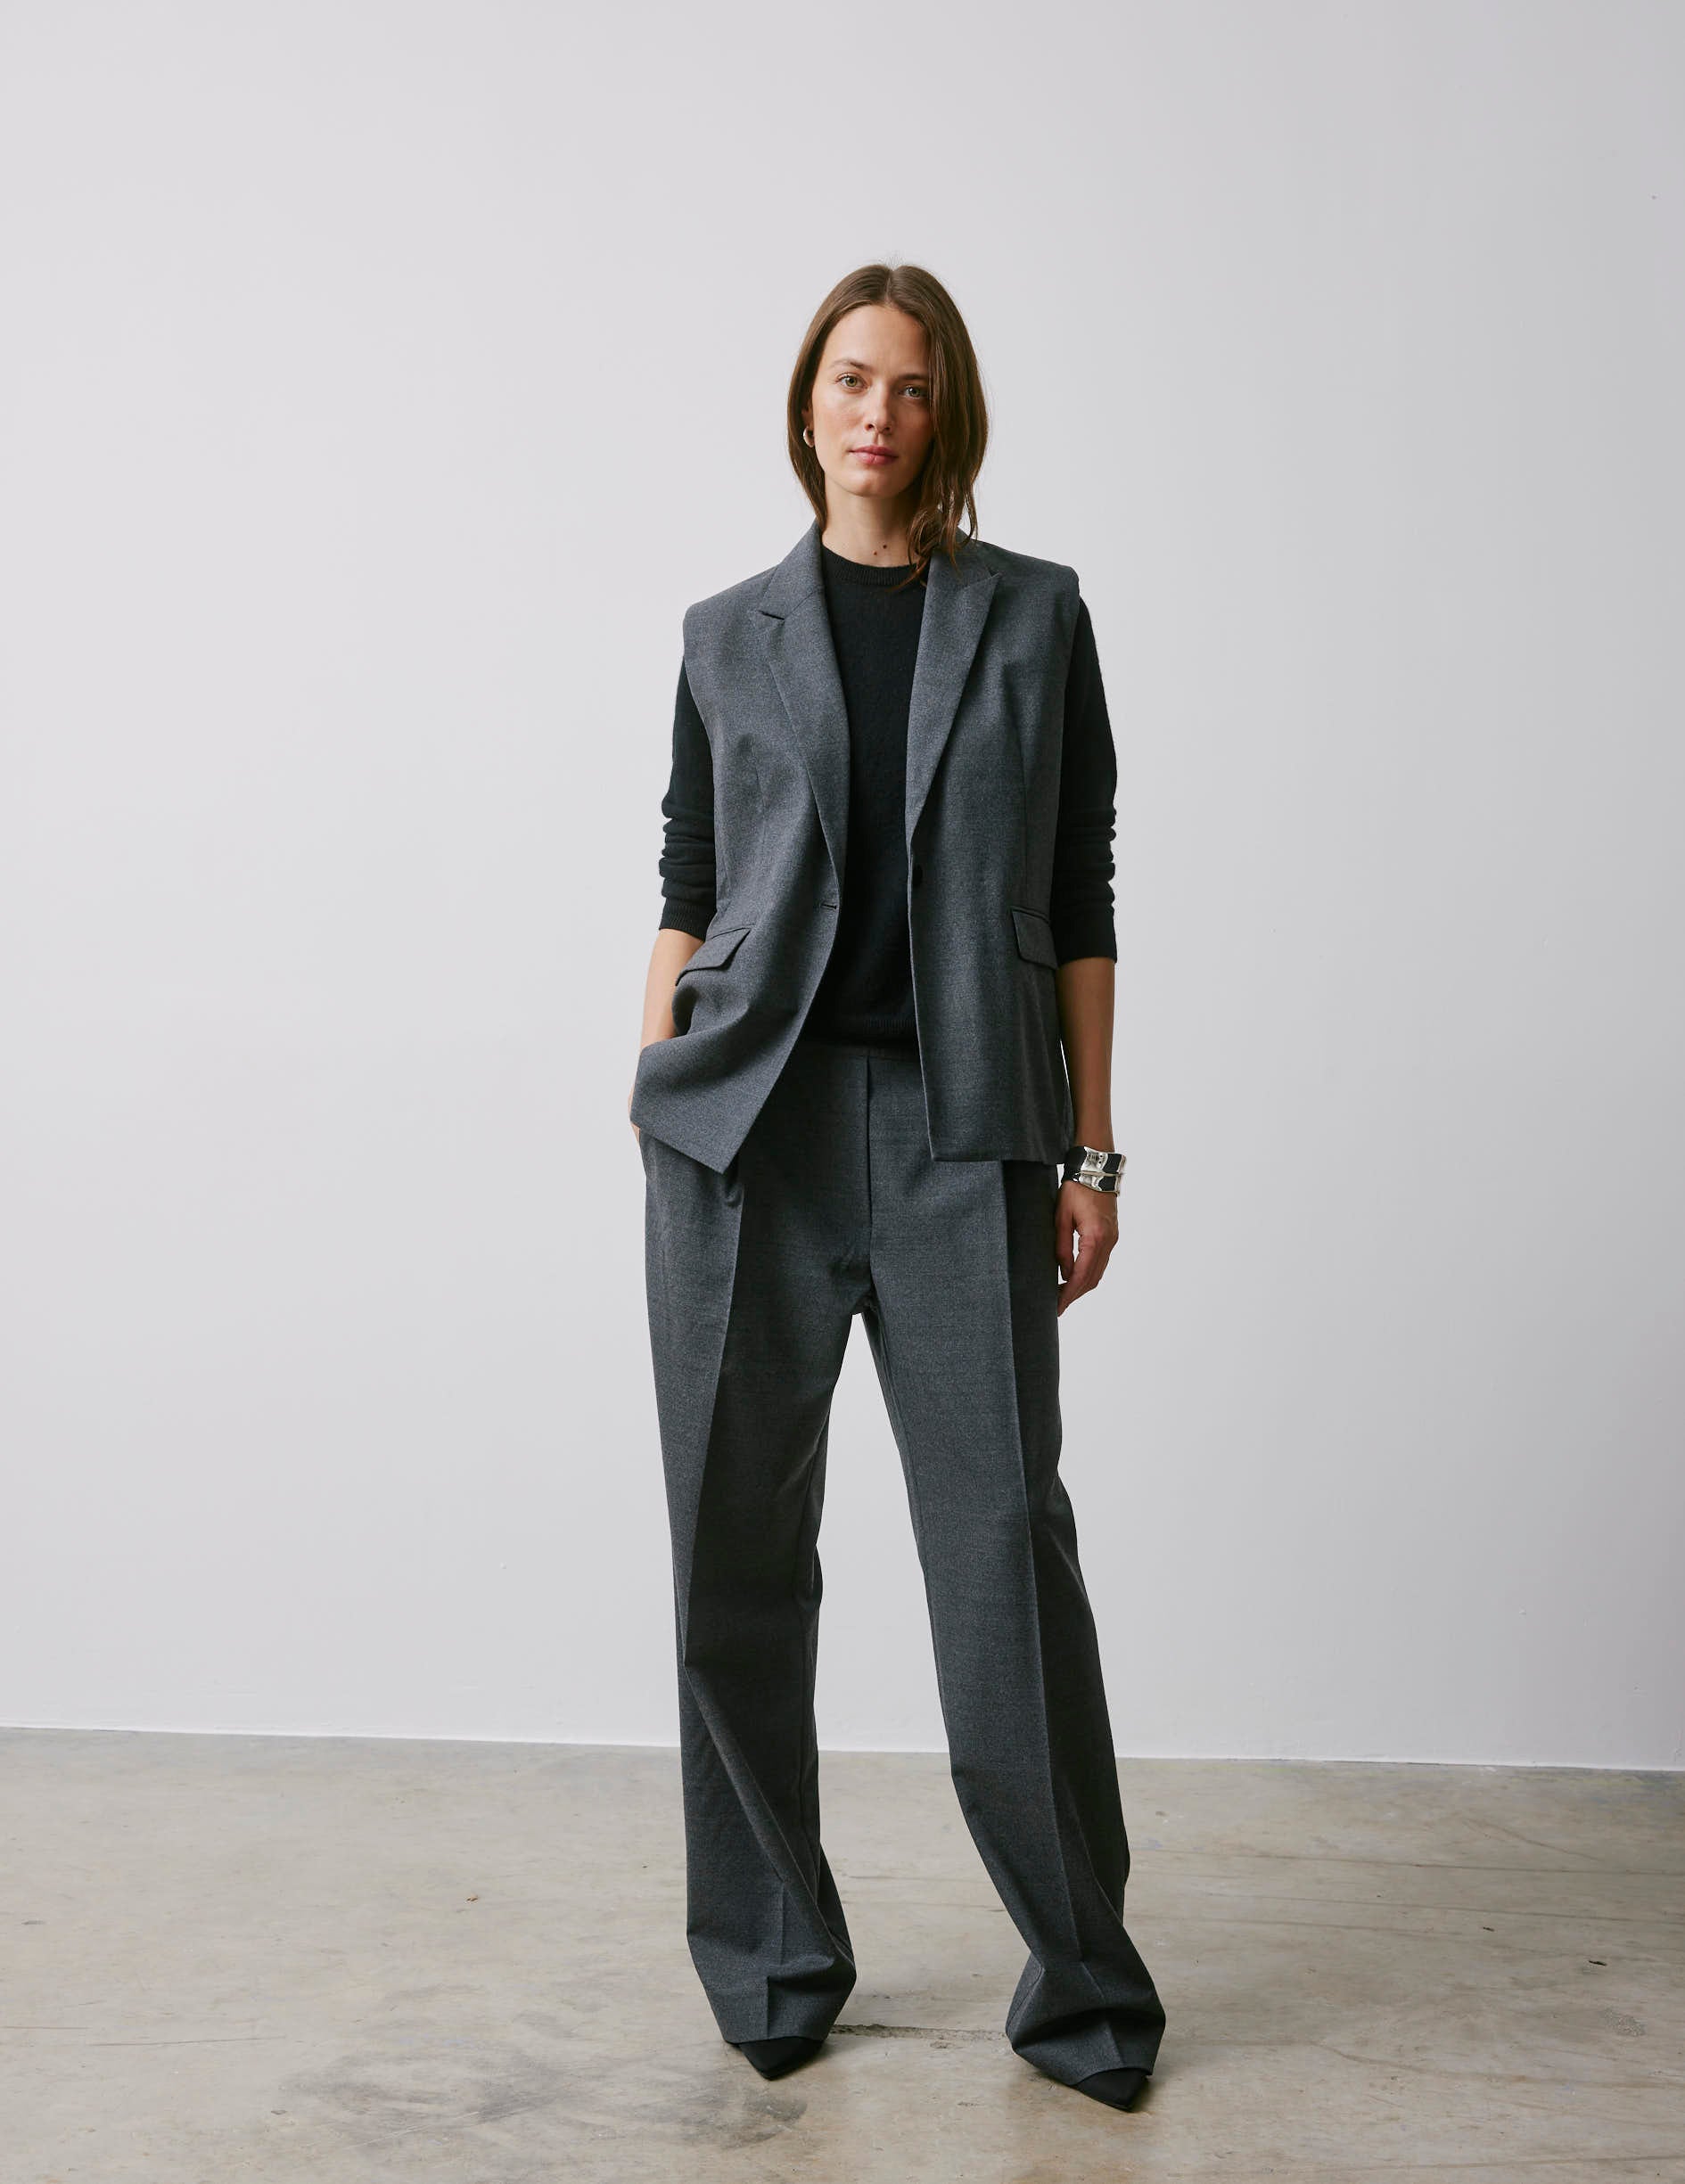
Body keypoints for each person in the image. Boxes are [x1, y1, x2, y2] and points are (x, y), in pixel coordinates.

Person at [627, 262, 1166, 2114]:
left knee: (1004, 1551)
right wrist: (655, 1083)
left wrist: (1091, 1149)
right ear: (808, 402)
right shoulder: (725, 632)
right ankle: (772, 1955)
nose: (878, 413)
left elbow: (1080, 890)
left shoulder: (1035, 615)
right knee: (732, 1558)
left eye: (912, 386)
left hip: (967, 1137)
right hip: (747, 1144)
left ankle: (1085, 1987)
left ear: (949, 416)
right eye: (852, 379)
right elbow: (688, 876)